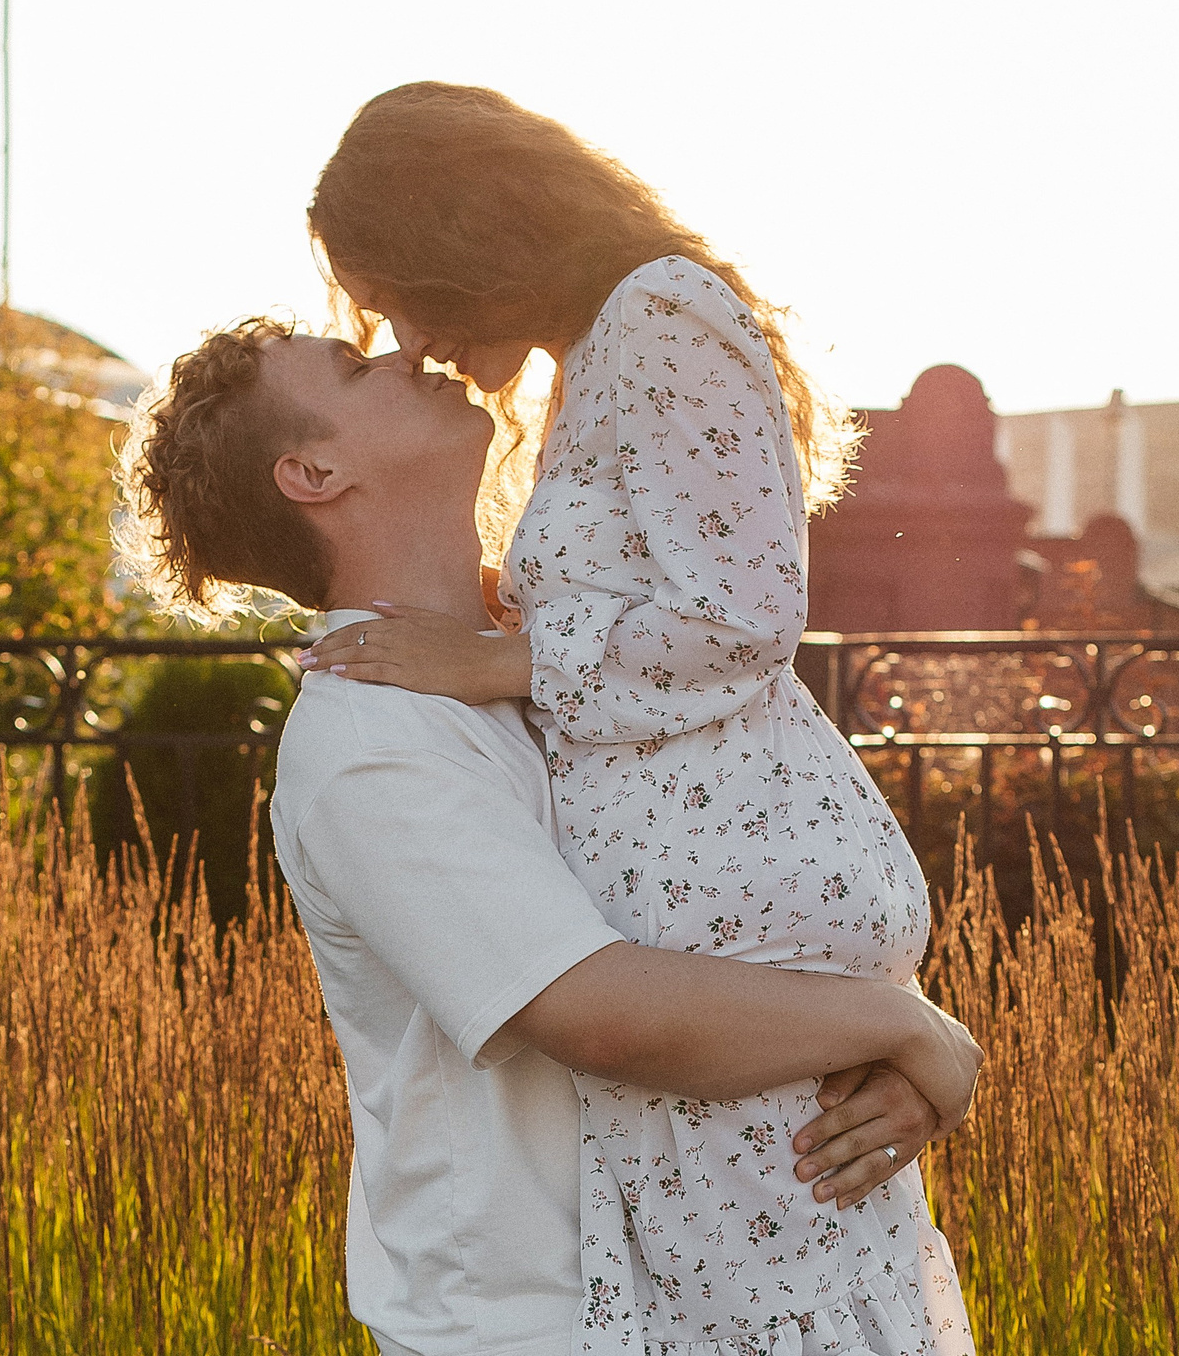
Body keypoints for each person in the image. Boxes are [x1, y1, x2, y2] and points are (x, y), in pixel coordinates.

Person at [116, 319, 980, 1356]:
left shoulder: (548, 662)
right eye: (353, 368)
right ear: (313, 470)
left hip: (719, 1295)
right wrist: (905, 1028)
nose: (404, 350)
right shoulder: (369, 735)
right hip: (538, 1319)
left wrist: (899, 1048)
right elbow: (597, 1010)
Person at [300, 83, 976, 1353]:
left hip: (731, 900)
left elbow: (741, 615)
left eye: (392, 296)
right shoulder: (599, 352)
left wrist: (501, 662)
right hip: (706, 922)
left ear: (464, 245)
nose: (408, 339)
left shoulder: (656, 312)